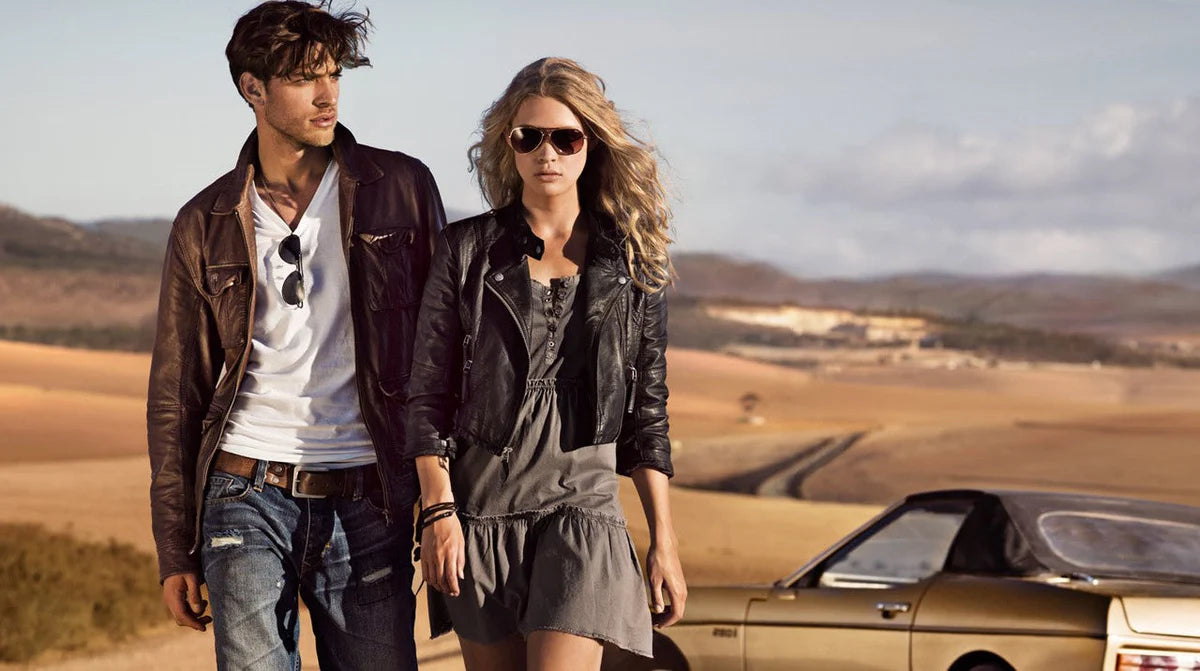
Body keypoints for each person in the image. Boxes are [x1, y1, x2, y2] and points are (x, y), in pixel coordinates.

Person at [146, 2, 445, 669]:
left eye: (334, 73)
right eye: (305, 78)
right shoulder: (204, 221)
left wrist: (445, 498)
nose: (327, 94)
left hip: (370, 494)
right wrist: (174, 548)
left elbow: (445, 349)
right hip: (242, 493)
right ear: (253, 88)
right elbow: (175, 396)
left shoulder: (401, 188)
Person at [406, 57, 687, 671]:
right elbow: (427, 395)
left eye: (565, 138)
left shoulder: (632, 262)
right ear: (508, 144)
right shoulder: (467, 251)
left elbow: (649, 415)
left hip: (583, 513)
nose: (547, 153)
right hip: (481, 515)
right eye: (528, 136)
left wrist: (663, 540)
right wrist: (438, 510)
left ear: (592, 144)